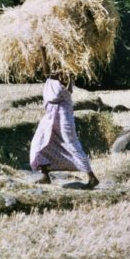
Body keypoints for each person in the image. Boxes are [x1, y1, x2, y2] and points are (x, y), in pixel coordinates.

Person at [30, 46, 100, 189]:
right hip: (50, 115)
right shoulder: (52, 76)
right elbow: (47, 72)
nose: (55, 65)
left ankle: (92, 177)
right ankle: (45, 175)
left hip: (63, 115)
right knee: (39, 142)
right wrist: (43, 51)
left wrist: (44, 52)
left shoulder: (66, 74)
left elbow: (52, 76)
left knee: (71, 144)